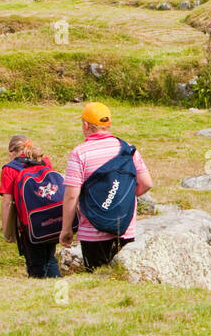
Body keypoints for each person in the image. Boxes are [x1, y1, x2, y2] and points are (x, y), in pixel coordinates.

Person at [58, 102, 152, 270]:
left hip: (93, 233)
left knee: (98, 281)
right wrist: (121, 200)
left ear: (86, 125)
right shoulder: (128, 149)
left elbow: (72, 195)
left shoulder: (80, 153)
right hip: (125, 228)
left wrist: (66, 229)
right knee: (123, 277)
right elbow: (146, 184)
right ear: (108, 124)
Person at [0, 135, 61, 279]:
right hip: (52, 219)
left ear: (11, 152)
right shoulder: (44, 161)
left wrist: (7, 231)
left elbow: (7, 202)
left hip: (29, 226)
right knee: (50, 258)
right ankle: (58, 290)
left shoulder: (10, 169)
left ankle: (40, 292)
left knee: (35, 263)